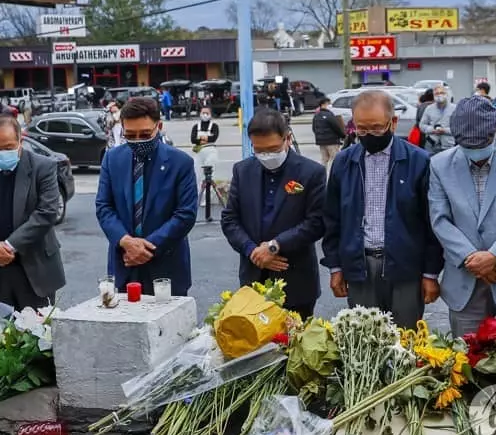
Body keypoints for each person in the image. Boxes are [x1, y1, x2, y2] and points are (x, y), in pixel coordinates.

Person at [322, 90, 443, 327]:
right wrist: (335, 266)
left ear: (393, 122)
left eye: (377, 128)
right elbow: (332, 219)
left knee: (406, 342)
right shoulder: (344, 162)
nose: (369, 135)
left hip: (406, 267)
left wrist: (430, 273)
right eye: (362, 129)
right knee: (365, 343)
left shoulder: (419, 161)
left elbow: (432, 223)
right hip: (359, 266)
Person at [428, 97, 496, 336]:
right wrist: (472, 259)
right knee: (467, 363)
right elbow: (440, 219)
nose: (476, 151)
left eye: (482, 143)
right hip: (464, 282)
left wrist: (494, 256)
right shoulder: (439, 165)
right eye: (468, 145)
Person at [221, 109, 326, 320]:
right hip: (253, 279)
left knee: (295, 346)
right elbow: (230, 219)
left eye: (273, 149)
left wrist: (274, 246)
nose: (266, 156)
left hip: (295, 280)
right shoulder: (243, 171)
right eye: (259, 150)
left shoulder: (311, 172)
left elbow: (316, 222)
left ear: (287, 139)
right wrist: (254, 252)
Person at [0, 114, 65, 312]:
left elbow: (46, 212)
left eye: (8, 147)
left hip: (36, 269)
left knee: (40, 337)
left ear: (21, 140)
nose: (2, 152)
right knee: (0, 335)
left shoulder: (43, 167)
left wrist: (10, 246)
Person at [96, 97, 198, 296]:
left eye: (145, 134)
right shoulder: (112, 159)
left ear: (158, 126)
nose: (138, 141)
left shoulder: (181, 163)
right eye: (130, 135)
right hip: (124, 263)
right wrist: (126, 242)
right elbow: (104, 206)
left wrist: (146, 248)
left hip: (166, 267)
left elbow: (185, 214)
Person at [191, 107, 220, 204]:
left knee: (210, 175)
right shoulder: (196, 126)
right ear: (200, 113)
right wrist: (205, 138)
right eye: (203, 112)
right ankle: (197, 198)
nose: (205, 115)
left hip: (211, 151)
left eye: (207, 113)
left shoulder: (214, 126)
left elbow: (214, 138)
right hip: (199, 152)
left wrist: (202, 139)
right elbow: (193, 139)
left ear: (210, 114)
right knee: (197, 175)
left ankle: (208, 199)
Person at [419, 85, 456, 154]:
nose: (439, 95)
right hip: (432, 145)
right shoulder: (429, 108)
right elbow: (422, 125)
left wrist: (445, 130)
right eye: (437, 93)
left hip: (448, 146)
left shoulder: (454, 109)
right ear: (433, 96)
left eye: (442, 93)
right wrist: (432, 130)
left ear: (446, 94)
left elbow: (459, 127)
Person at [311, 98, 345, 171]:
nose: (330, 105)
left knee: (324, 159)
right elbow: (336, 127)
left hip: (321, 142)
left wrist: (319, 137)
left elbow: (314, 128)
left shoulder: (316, 116)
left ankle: (322, 174)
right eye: (328, 103)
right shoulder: (329, 115)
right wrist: (343, 136)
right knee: (334, 159)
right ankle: (334, 174)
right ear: (323, 104)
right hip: (331, 141)